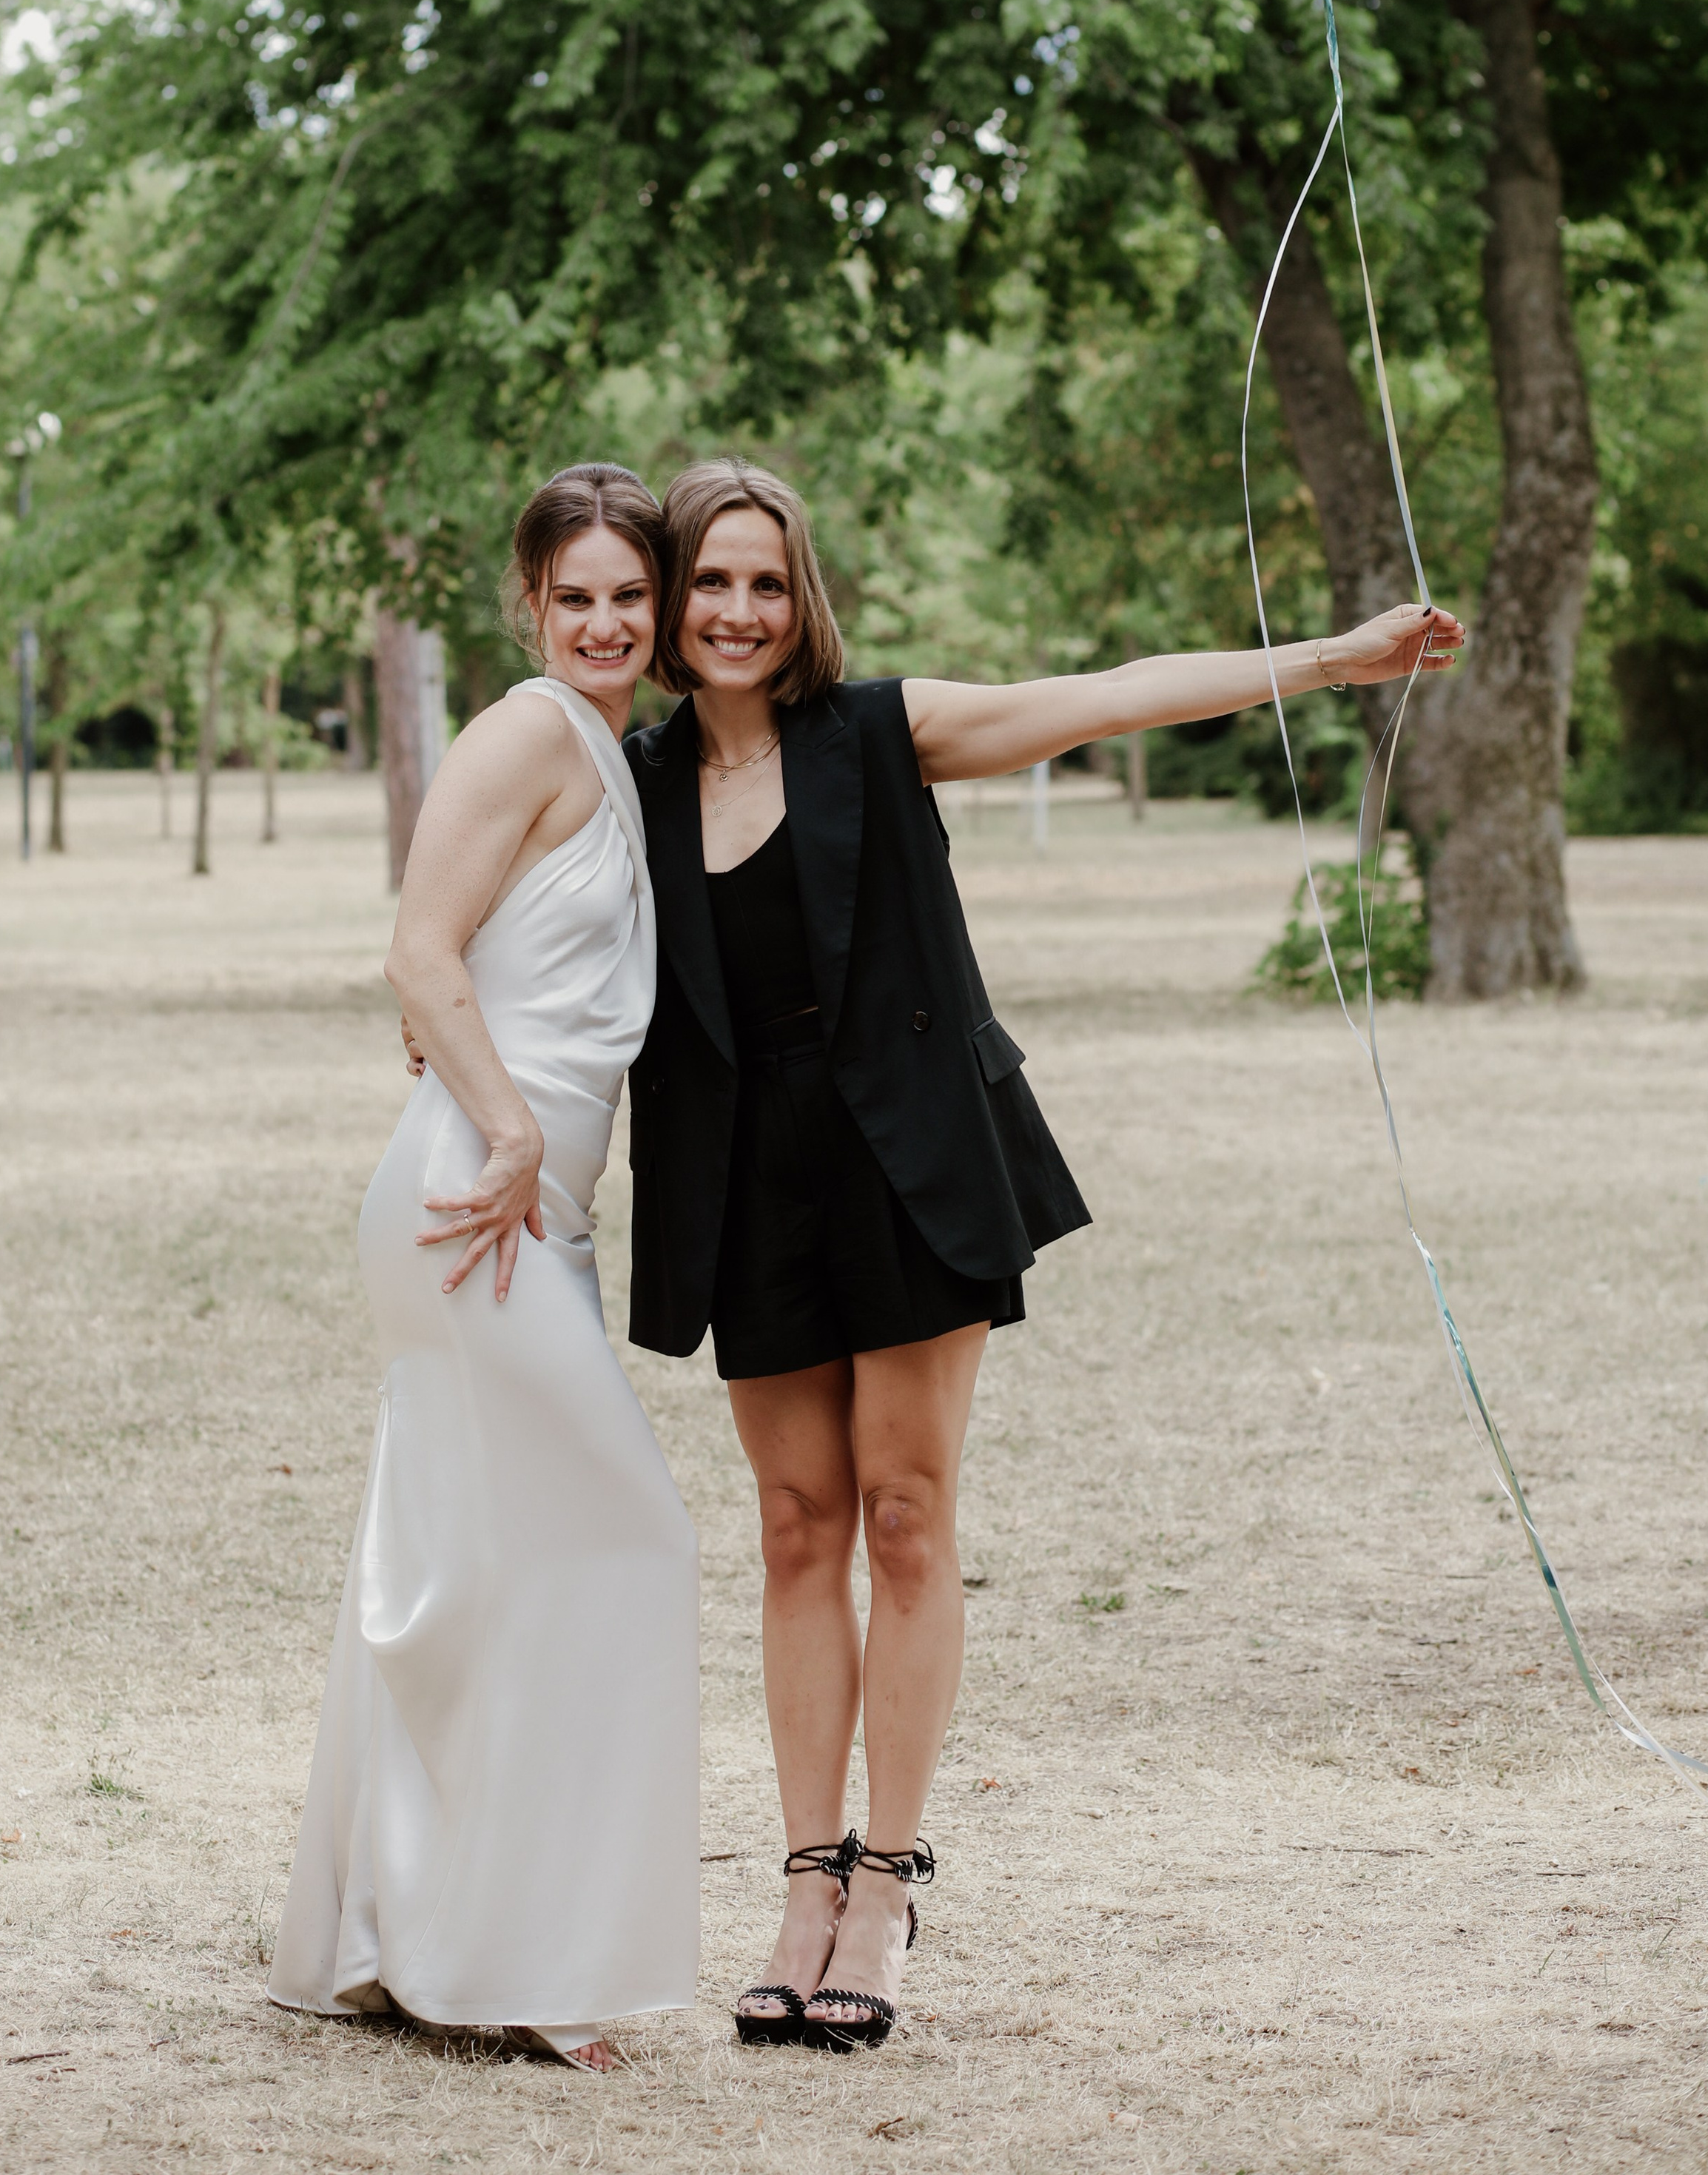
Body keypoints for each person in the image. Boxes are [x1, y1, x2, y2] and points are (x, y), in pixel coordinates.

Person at [622, 457, 1462, 2052]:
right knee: (796, 1529)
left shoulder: (879, 733)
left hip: (911, 1153)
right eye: (707, 582)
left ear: (800, 596)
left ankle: (883, 1885)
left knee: (903, 1514)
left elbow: (1104, 698)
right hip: (742, 1175)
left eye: (764, 580)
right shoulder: (633, 779)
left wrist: (1334, 659)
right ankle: (800, 1883)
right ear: (667, 604)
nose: (735, 611)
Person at [267, 466, 699, 2072]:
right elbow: (417, 953)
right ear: (528, 606)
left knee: (466, 1579)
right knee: (618, 1550)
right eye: (573, 595)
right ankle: (520, 1958)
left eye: (626, 598)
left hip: (537, 1206)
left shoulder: (614, 753)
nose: (603, 622)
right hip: (477, 1200)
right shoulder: (526, 727)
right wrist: (507, 1127)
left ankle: (393, 1935)